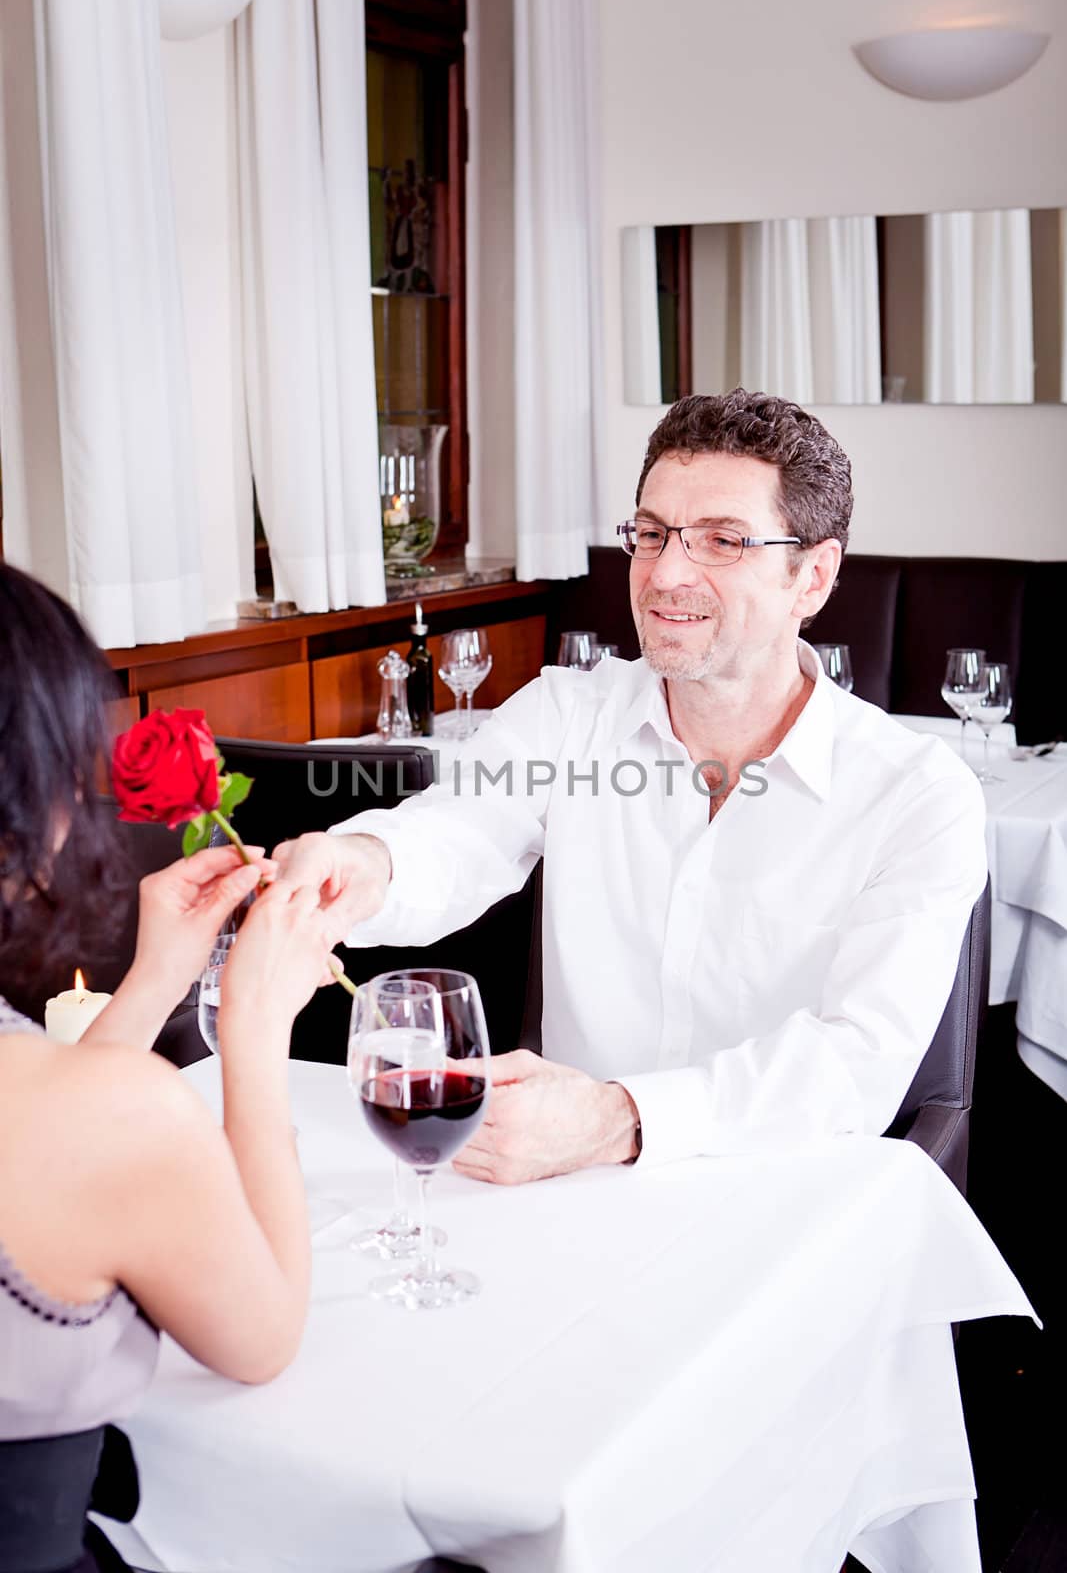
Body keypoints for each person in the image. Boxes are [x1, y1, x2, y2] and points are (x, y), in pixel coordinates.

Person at [276, 390, 987, 1184]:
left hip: (791, 1200)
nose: (664, 573)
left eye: (720, 540)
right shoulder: (564, 716)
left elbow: (856, 1064)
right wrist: (361, 865)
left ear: (811, 578)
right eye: (650, 534)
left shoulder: (920, 796)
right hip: (568, 1193)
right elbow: (452, 834)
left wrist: (619, 1117)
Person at [0, 564, 348, 1573]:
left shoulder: (72, 1111)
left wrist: (154, 982)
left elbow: (54, 1151)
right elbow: (264, 1335)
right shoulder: (115, 1117)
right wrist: (252, 1034)